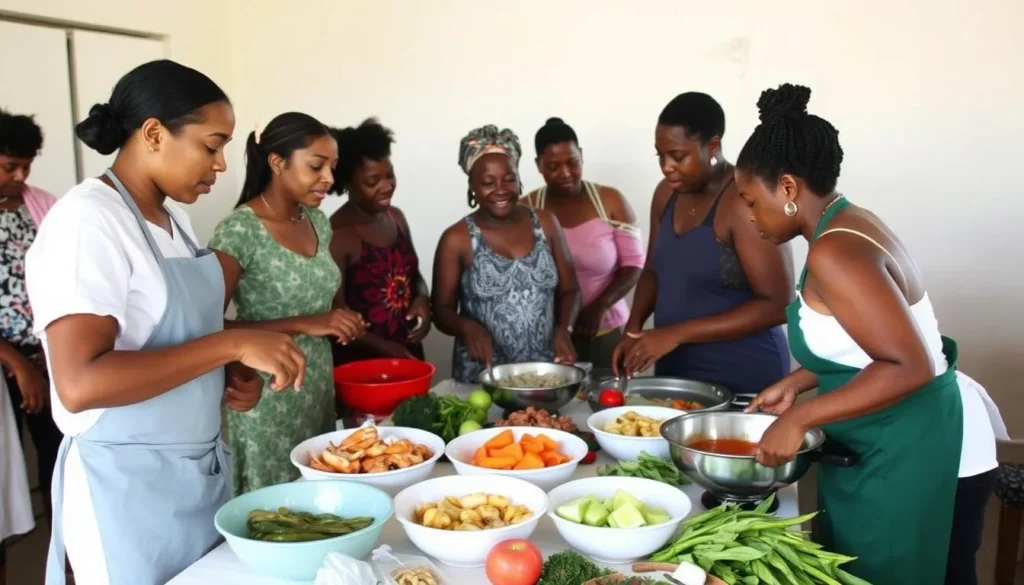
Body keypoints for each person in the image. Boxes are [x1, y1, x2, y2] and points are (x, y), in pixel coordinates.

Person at [26, 59, 308, 585]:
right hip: (127, 494)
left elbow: (169, 342)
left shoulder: (170, 221)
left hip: (194, 478)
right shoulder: (89, 221)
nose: (221, 164)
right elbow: (80, 383)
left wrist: (224, 376)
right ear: (154, 133)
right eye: (211, 144)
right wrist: (229, 345)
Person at [738, 83, 1006, 585]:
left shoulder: (834, 251)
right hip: (895, 438)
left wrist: (801, 417)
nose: (749, 217)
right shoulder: (847, 223)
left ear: (789, 188)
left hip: (914, 446)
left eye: (752, 201)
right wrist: (800, 381)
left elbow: (909, 363)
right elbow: (866, 341)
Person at [210, 112, 365, 494]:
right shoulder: (240, 230)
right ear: (277, 162)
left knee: (322, 491)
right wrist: (308, 322)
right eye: (316, 166)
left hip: (315, 389)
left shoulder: (317, 221)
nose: (328, 178)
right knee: (276, 506)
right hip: (267, 392)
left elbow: (321, 303)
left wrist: (339, 320)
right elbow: (208, 328)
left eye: (332, 166)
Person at [612, 93, 793, 399]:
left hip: (742, 372)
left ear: (712, 146)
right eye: (660, 155)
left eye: (678, 156)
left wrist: (675, 334)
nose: (666, 167)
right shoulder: (665, 194)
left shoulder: (742, 200)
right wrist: (633, 330)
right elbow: (654, 271)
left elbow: (778, 304)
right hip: (675, 367)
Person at [432, 125, 580, 383]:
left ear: (519, 179)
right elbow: (441, 310)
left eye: (509, 178)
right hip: (483, 376)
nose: (501, 190)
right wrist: (467, 328)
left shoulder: (546, 223)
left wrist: (563, 329)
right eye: (488, 182)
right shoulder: (457, 239)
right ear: (472, 186)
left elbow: (571, 290)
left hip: (545, 372)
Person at [522, 118, 644, 369]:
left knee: (607, 402)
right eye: (553, 166)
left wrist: (598, 308)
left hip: (602, 331)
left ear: (582, 156)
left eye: (572, 163)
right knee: (545, 407)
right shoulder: (527, 208)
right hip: (546, 337)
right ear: (538, 166)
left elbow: (634, 264)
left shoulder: (610, 201)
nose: (565, 173)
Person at [0, 109, 63, 563]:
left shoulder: (42, 206)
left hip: (45, 356)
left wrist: (42, 357)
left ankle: (66, 556)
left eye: (27, 165)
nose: (20, 176)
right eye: (9, 167)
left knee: (58, 459)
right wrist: (17, 364)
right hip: (13, 361)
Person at [328, 119, 431, 367]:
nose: (386, 187)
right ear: (347, 182)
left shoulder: (396, 218)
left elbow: (414, 277)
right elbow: (336, 315)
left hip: (407, 352)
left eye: (390, 175)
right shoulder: (338, 234)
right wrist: (388, 350)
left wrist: (422, 301)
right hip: (362, 365)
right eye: (372, 182)